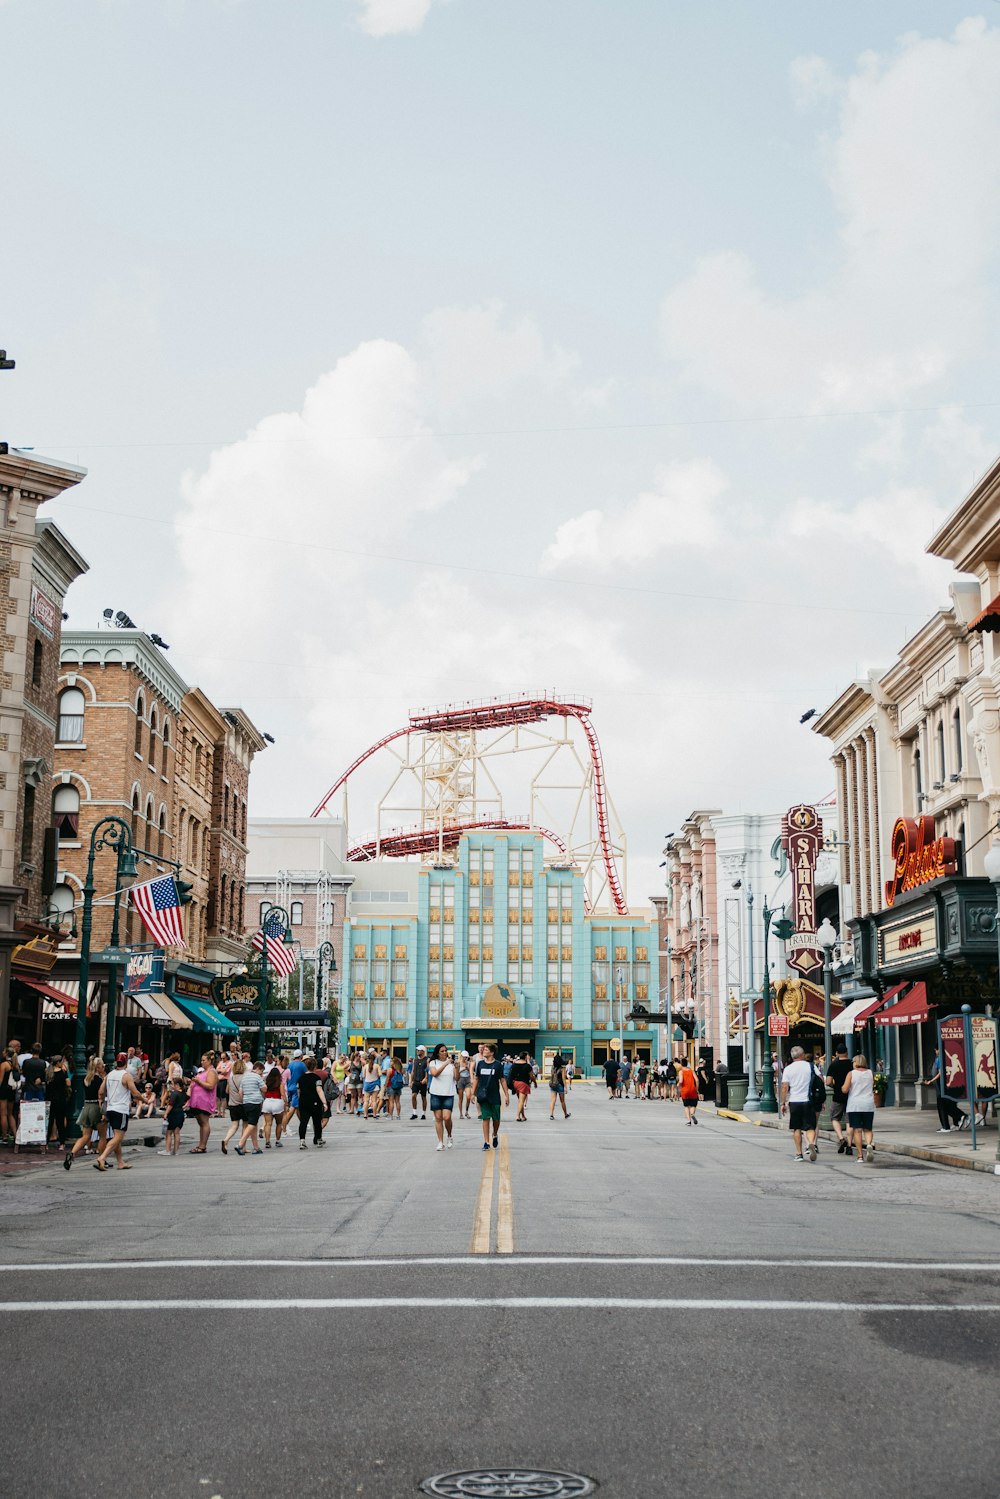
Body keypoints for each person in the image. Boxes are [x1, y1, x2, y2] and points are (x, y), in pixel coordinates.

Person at [94, 1052, 142, 1171]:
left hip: (110, 1109)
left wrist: (101, 1102)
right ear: (126, 1062)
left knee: (116, 1136)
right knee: (118, 1137)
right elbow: (135, 1092)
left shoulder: (109, 1075)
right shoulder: (126, 1076)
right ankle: (102, 1157)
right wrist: (144, 1099)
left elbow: (100, 1091)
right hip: (121, 1109)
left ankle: (120, 1162)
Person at [64, 1057, 106, 1169]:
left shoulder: (86, 1079)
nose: (104, 1066)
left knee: (86, 1135)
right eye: (102, 1065)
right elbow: (101, 1096)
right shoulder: (99, 1080)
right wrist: (103, 1112)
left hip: (86, 1107)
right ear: (97, 1067)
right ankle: (102, 1159)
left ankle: (72, 1153)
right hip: (96, 1107)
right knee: (102, 1136)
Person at [780, 1044, 819, 1162]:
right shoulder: (811, 1066)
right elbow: (820, 1079)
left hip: (795, 1101)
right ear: (802, 1055)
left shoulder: (788, 1069)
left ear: (792, 1057)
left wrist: (783, 1103)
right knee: (810, 1126)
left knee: (796, 1128)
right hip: (808, 1100)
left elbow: (784, 1087)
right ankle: (811, 1144)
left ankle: (799, 1153)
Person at [473, 1042, 509, 1151]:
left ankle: (494, 1134)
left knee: (496, 1119)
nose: (483, 1051)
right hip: (483, 1096)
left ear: (492, 1052)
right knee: (486, 1118)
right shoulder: (480, 1064)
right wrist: (472, 1093)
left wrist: (507, 1095)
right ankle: (486, 1142)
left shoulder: (498, 1065)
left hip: (495, 1096)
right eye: (483, 1050)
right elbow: (476, 1079)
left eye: (486, 1050)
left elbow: (502, 1080)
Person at [923, 1048, 968, 1133]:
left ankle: (957, 1118)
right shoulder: (945, 1058)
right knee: (948, 1105)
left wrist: (931, 1081)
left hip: (941, 1087)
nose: (936, 1052)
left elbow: (940, 1073)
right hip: (946, 1086)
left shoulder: (939, 1059)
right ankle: (957, 1121)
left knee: (942, 1106)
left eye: (937, 1050)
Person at [844, 1052, 877, 1163]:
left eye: (853, 1062)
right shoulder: (870, 1073)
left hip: (855, 1105)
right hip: (868, 1104)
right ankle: (868, 1144)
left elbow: (845, 1089)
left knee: (857, 1130)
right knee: (868, 1129)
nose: (852, 1064)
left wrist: (842, 1087)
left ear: (857, 1062)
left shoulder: (851, 1074)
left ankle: (860, 1156)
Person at [185, 1053, 218, 1153]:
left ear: (209, 1061)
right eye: (201, 1060)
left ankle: (202, 1146)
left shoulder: (212, 1072)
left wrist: (199, 1082)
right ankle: (201, 1144)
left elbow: (211, 1086)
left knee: (204, 1122)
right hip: (197, 1101)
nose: (202, 1062)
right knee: (201, 1123)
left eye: (204, 1060)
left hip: (205, 1101)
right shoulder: (203, 1071)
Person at [427, 1042, 456, 1151]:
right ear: (438, 1053)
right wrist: (446, 1064)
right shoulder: (433, 1062)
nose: (444, 1053)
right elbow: (435, 1074)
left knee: (447, 1117)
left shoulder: (451, 1064)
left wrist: (456, 1067)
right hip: (436, 1093)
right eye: (442, 1051)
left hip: (448, 1093)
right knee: (438, 1118)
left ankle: (449, 1135)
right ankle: (440, 1141)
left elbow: (456, 1078)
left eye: (445, 1051)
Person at [825, 1044, 854, 1153]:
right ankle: (850, 1146)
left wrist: (835, 1086)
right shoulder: (852, 1064)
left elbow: (828, 1082)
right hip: (851, 1096)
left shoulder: (834, 1065)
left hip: (838, 1095)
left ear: (836, 1053)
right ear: (847, 1052)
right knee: (849, 1121)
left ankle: (841, 1139)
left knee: (834, 1118)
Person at [234, 1061, 266, 1155]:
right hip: (255, 1102)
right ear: (258, 1069)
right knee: (251, 1124)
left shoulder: (245, 1077)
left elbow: (240, 1092)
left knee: (254, 1125)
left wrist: (244, 1099)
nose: (262, 1074)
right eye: (262, 1072)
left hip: (246, 1102)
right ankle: (240, 1144)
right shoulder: (257, 1077)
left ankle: (256, 1147)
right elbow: (264, 1088)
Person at [296, 1057, 328, 1148]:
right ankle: (318, 1139)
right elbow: (319, 1090)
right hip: (315, 1102)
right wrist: (324, 1102)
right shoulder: (316, 1078)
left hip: (303, 1101)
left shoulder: (301, 1078)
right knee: (317, 1121)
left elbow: (298, 1091)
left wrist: (299, 1100)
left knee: (303, 1122)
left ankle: (302, 1141)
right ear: (315, 1067)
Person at [221, 1058, 246, 1154]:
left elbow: (227, 1091)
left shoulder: (230, 1079)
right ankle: (242, 1146)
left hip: (232, 1104)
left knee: (234, 1125)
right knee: (245, 1125)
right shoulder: (244, 1077)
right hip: (242, 1104)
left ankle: (226, 1140)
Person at [46, 1055, 72, 1145]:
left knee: (49, 1121)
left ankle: (46, 1142)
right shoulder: (62, 1073)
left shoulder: (48, 1072)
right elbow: (68, 1083)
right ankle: (62, 1143)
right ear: (58, 1063)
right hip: (60, 1099)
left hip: (50, 1099)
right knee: (60, 1121)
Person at [160, 1072, 188, 1156]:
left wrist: (165, 1114)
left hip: (173, 1114)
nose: (171, 1085)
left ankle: (167, 1150)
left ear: (177, 1085)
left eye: (172, 1084)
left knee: (169, 1133)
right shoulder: (183, 1093)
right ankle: (176, 1151)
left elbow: (170, 1105)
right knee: (177, 1132)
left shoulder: (174, 1094)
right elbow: (187, 1099)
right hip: (181, 1113)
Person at [261, 1064, 287, 1147]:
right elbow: (283, 1095)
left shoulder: (267, 1083)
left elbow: (263, 1093)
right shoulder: (280, 1084)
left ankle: (267, 1141)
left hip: (268, 1102)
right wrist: (286, 1103)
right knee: (279, 1123)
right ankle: (277, 1141)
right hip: (277, 1102)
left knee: (268, 1124)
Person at [0, 1045, 20, 1144]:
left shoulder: (4, 1064)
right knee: (10, 1114)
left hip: (3, 1090)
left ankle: (4, 1136)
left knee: (3, 1114)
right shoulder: (15, 1064)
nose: (2, 1053)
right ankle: (16, 1135)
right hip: (12, 1090)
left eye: (4, 1051)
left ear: (7, 1053)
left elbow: (0, 1080)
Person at [509, 1052, 533, 1121]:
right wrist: (534, 1082)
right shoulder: (527, 1066)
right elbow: (531, 1076)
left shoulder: (514, 1065)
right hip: (523, 1084)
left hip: (515, 1083)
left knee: (520, 1100)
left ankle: (523, 1115)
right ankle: (517, 1116)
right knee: (521, 1101)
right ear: (525, 1057)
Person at [677, 1058, 700, 1125]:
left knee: (686, 1106)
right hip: (692, 1089)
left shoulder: (681, 1072)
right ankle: (692, 1114)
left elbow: (681, 1081)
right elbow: (697, 1080)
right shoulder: (691, 1071)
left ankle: (689, 1121)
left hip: (685, 1090)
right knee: (693, 1104)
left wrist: (678, 1084)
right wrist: (697, 1089)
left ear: (681, 1064)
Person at [548, 1053, 570, 1120]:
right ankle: (565, 1114)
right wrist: (566, 1087)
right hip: (560, 1085)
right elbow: (563, 1079)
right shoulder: (562, 1069)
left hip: (553, 1084)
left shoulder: (552, 1067)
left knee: (553, 1100)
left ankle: (551, 1115)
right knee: (562, 1101)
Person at [410, 1045, 429, 1120]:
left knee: (423, 1097)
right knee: (413, 1095)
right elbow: (413, 1071)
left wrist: (426, 1078)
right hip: (415, 1081)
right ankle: (414, 1113)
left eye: (419, 1050)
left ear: (423, 1051)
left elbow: (427, 1070)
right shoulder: (415, 1060)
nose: (417, 1051)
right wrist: (410, 1081)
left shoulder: (427, 1060)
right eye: (417, 1050)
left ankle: (423, 1113)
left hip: (423, 1082)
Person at [456, 1052, 473, 1120]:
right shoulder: (458, 1063)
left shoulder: (468, 1063)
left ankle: (466, 1111)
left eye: (466, 1057)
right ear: (461, 1056)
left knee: (468, 1096)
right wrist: (463, 1069)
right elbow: (456, 1073)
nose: (465, 1058)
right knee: (461, 1098)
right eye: (464, 1057)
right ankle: (461, 1113)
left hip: (467, 1080)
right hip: (460, 1079)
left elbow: (471, 1072)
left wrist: (468, 1068)